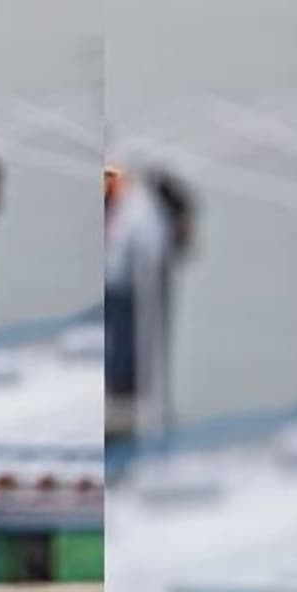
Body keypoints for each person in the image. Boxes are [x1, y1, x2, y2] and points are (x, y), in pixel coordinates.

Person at [105, 166, 194, 439]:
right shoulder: (144, 208)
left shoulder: (139, 204)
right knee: (130, 344)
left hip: (125, 281)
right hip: (128, 284)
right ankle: (126, 399)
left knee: (127, 343)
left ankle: (127, 398)